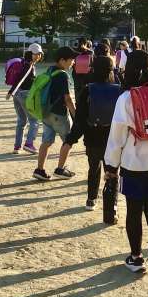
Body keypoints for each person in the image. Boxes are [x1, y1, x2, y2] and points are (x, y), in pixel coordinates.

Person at [104, 50, 148, 273]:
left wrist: (110, 165)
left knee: (134, 209)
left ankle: (136, 258)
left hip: (135, 161)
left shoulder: (126, 98)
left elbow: (117, 136)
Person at [57, 56, 120, 212]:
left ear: (93, 70)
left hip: (92, 137)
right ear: (111, 71)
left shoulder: (88, 89)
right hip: (113, 138)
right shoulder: (119, 90)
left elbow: (80, 118)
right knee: (112, 172)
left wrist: (71, 139)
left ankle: (91, 199)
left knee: (94, 168)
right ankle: (112, 205)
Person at [33, 46, 77, 182]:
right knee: (68, 141)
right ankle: (60, 169)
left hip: (46, 113)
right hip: (59, 115)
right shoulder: (63, 75)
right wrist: (75, 115)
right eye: (71, 60)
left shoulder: (50, 70)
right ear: (62, 60)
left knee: (46, 141)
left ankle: (39, 169)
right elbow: (67, 99)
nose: (73, 62)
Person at [6, 43, 43, 154]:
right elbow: (20, 79)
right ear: (30, 54)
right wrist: (10, 92)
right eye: (35, 54)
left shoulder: (24, 63)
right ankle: (29, 144)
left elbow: (19, 78)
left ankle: (17, 147)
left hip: (17, 95)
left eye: (39, 54)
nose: (38, 56)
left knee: (21, 121)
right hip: (24, 95)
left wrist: (12, 92)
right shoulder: (29, 66)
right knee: (34, 121)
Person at [73, 37, 94, 103]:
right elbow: (92, 64)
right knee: (86, 89)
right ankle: (86, 103)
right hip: (87, 74)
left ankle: (77, 102)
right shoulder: (90, 52)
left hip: (76, 73)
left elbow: (73, 63)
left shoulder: (74, 51)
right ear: (86, 43)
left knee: (77, 89)